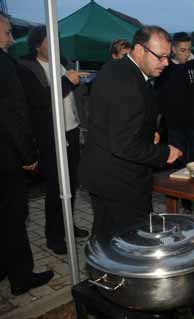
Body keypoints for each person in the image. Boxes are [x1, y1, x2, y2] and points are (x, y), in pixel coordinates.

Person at [78, 26, 182, 239]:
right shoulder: (127, 82)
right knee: (130, 242)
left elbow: (116, 122)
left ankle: (100, 272)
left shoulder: (117, 68)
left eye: (168, 57)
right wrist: (163, 153)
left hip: (103, 174)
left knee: (105, 235)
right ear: (139, 50)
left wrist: (146, 133)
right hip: (119, 180)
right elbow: (123, 144)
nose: (166, 63)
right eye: (160, 57)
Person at [18, 25, 90, 255]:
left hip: (71, 130)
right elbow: (40, 102)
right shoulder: (28, 68)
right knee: (55, 187)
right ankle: (54, 235)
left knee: (71, 183)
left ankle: (67, 224)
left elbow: (73, 99)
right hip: (50, 135)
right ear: (38, 44)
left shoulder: (63, 63)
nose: (56, 45)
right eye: (51, 41)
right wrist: (67, 81)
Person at [0, 12, 54, 295]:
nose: (11, 38)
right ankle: (21, 277)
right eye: (7, 32)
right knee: (14, 217)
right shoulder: (6, 65)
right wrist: (27, 155)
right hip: (6, 157)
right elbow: (13, 114)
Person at [155, 31, 194, 214]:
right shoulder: (166, 68)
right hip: (176, 125)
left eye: (189, 50)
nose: (186, 54)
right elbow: (160, 94)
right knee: (179, 166)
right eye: (182, 50)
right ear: (173, 49)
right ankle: (185, 203)